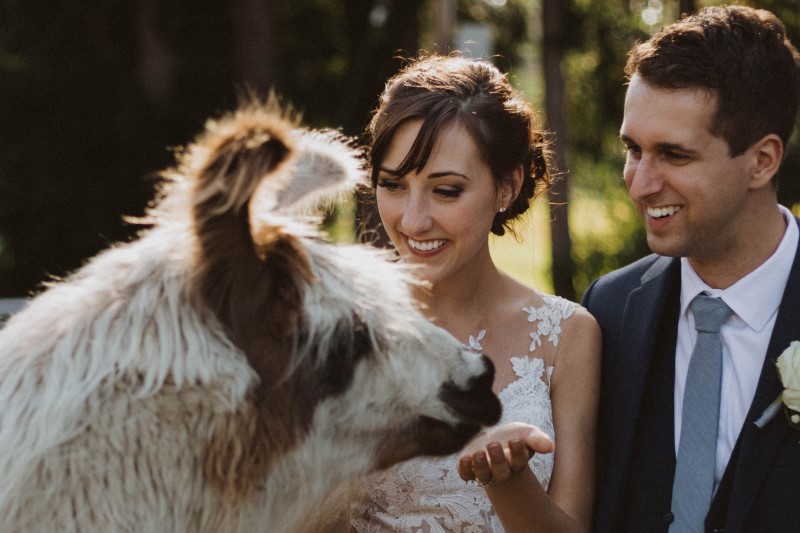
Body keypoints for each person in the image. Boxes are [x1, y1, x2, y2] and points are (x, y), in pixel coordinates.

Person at [348, 54, 601, 532]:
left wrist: (506, 478)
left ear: (506, 186)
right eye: (393, 185)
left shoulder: (565, 335)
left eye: (445, 191)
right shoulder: (339, 326)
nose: (413, 220)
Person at [581, 5, 800, 532]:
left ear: (763, 161)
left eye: (674, 155)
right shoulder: (606, 310)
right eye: (633, 149)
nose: (639, 183)